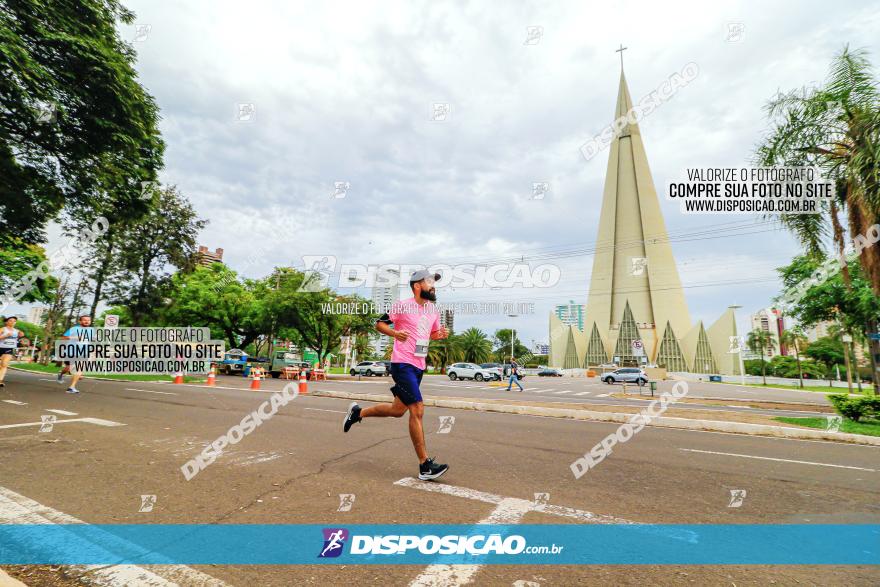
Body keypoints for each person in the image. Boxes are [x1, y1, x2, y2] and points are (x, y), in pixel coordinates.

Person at [343, 269, 450, 480]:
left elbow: (431, 334)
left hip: (419, 365)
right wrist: (395, 333)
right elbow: (379, 323)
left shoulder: (433, 311)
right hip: (402, 363)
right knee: (417, 409)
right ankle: (424, 465)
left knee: (397, 410)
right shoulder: (402, 305)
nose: (433, 285)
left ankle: (357, 413)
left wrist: (441, 334)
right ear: (417, 286)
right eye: (429, 282)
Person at [56, 314, 92, 394]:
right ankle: (61, 373)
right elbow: (63, 338)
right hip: (71, 352)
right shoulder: (74, 329)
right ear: (80, 321)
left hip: (83, 352)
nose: (86, 321)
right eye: (84, 320)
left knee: (79, 369)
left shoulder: (92, 330)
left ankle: (71, 387)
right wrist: (75, 338)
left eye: (88, 320)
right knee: (69, 368)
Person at [0, 316, 25, 389]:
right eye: (10, 320)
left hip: (8, 349)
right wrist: (5, 335)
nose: (12, 322)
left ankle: (0, 381)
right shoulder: (2, 329)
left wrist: (21, 334)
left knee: (4, 364)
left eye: (14, 321)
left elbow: (22, 335)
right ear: (6, 322)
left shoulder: (16, 331)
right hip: (0, 347)